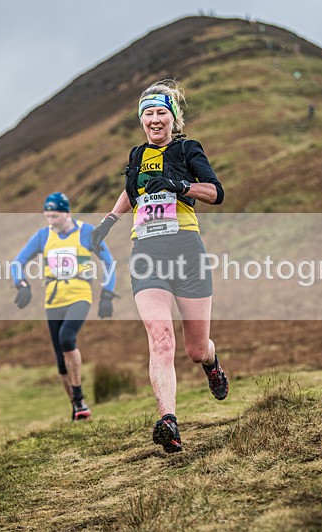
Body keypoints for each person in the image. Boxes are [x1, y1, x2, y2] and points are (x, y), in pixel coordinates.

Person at [89, 79, 228, 453]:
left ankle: (212, 365)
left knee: (196, 349)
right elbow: (131, 190)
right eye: (148, 113)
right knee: (160, 339)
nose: (154, 119)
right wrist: (108, 223)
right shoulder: (136, 155)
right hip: (147, 252)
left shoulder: (187, 149)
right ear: (141, 120)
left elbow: (215, 192)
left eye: (161, 112)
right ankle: (169, 421)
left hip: (187, 249)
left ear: (173, 118)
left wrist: (179, 185)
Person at [11, 192, 117, 421]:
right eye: (48, 216)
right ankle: (77, 407)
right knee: (60, 359)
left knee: (67, 339)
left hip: (80, 294)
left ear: (67, 213)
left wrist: (107, 294)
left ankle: (79, 396)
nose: (51, 221)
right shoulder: (42, 236)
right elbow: (17, 263)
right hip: (53, 299)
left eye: (55, 216)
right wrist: (21, 285)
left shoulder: (86, 232)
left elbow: (108, 261)